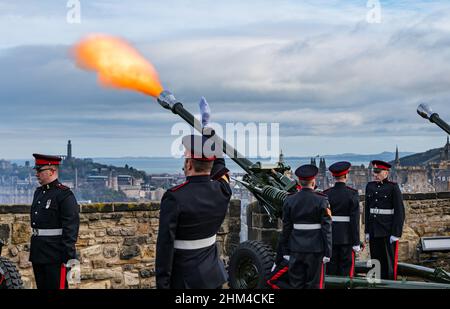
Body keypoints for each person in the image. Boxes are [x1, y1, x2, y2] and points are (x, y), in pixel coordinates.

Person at [155, 132, 232, 289]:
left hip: (185, 279)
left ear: (189, 164)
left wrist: (162, 284)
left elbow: (165, 245)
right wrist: (212, 141)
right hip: (213, 275)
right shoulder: (223, 190)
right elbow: (221, 168)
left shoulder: (174, 197)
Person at [275, 164, 332, 289]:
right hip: (316, 249)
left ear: (299, 182)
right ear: (313, 181)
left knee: (296, 284)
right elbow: (326, 228)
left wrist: (284, 250)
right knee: (314, 284)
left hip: (296, 248)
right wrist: (328, 251)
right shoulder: (322, 200)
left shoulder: (289, 200)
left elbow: (286, 228)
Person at [29, 154, 79, 289]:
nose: (36, 174)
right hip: (38, 252)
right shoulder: (39, 193)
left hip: (56, 255)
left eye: (40, 170)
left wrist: (68, 258)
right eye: (36, 170)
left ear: (51, 171)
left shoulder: (64, 195)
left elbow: (71, 229)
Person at [365, 160, 405, 280]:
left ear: (386, 173)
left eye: (378, 172)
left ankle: (389, 285)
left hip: (387, 231)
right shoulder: (369, 186)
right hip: (373, 230)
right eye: (374, 172)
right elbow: (367, 210)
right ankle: (377, 284)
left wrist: (396, 233)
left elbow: (400, 212)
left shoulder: (393, 187)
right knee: (375, 261)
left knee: (388, 263)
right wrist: (367, 230)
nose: (375, 174)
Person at [323, 161, 360, 277]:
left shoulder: (326, 194)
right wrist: (356, 241)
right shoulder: (352, 194)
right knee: (346, 269)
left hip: (331, 237)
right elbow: (354, 221)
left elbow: (324, 219)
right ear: (346, 175)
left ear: (334, 176)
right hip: (347, 237)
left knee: (331, 268)